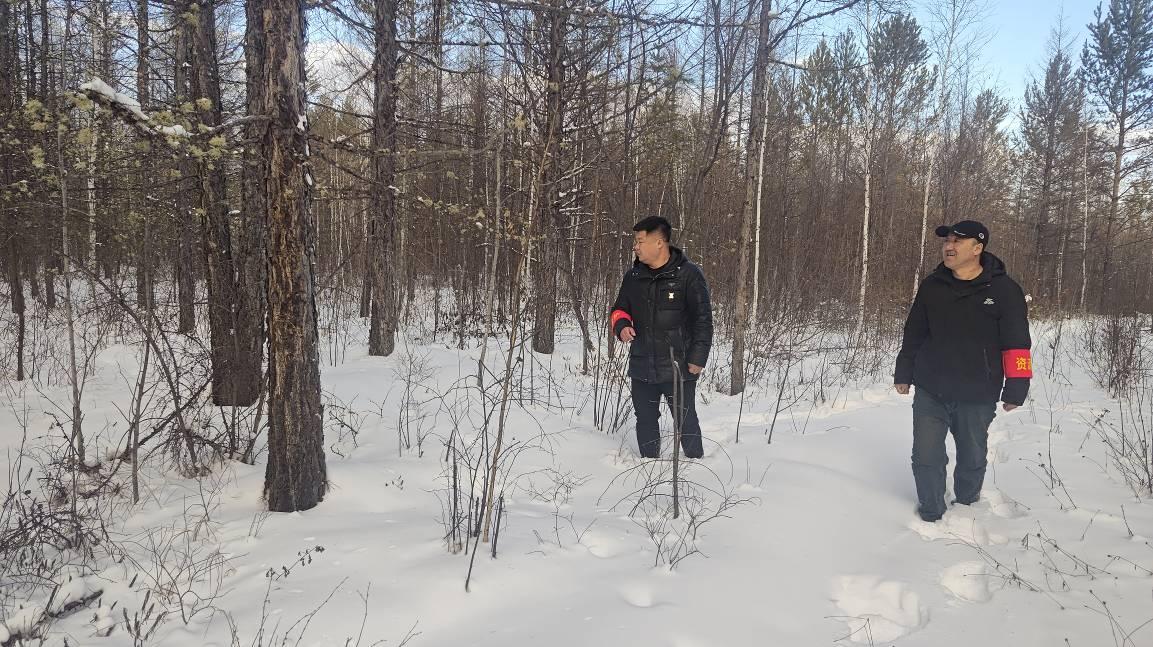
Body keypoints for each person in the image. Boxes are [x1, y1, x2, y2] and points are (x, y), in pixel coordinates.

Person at [894, 220, 1032, 522]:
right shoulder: (932, 286)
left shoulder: (1004, 290)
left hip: (977, 391)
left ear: (977, 248)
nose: (949, 246)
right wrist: (904, 371)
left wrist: (1017, 385)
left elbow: (1017, 343)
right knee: (926, 456)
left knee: (972, 455)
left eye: (957, 241)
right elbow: (914, 332)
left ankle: (968, 506)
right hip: (932, 387)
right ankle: (931, 512)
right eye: (947, 241)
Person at [610, 216, 714, 459]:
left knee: (685, 418)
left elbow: (703, 320)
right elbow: (619, 309)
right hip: (642, 363)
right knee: (645, 418)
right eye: (635, 241)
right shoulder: (633, 277)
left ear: (659, 242)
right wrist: (622, 326)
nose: (635, 246)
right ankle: (649, 464)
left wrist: (698, 358)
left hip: (678, 365)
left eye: (640, 241)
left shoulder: (689, 275)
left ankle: (697, 463)